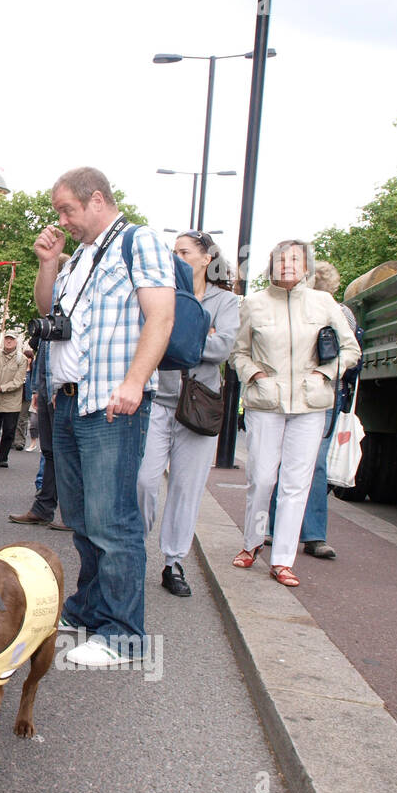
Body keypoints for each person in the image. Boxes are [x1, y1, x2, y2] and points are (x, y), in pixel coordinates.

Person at [33, 167, 175, 666]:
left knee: (113, 519)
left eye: (67, 209)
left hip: (112, 402)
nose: (62, 220)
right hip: (69, 399)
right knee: (81, 517)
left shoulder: (140, 242)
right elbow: (48, 310)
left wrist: (135, 382)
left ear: (97, 200)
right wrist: (50, 263)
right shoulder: (81, 258)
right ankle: (90, 610)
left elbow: (160, 315)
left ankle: (123, 634)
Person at [231, 241, 359, 586]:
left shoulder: (323, 303)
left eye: (294, 260)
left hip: (310, 402)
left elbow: (350, 349)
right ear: (271, 266)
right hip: (266, 401)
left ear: (306, 267)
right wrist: (253, 374)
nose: (286, 265)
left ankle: (283, 559)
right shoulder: (254, 304)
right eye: (280, 259)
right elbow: (238, 352)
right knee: (262, 478)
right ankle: (252, 541)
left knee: (296, 482)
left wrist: (326, 374)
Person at [136, 231, 240, 597]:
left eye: (183, 251)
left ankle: (173, 562)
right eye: (173, 251)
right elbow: (149, 336)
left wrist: (174, 337)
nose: (175, 256)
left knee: (187, 487)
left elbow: (223, 346)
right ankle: (135, 549)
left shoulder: (225, 301)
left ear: (205, 258)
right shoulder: (161, 292)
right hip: (159, 399)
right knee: (144, 481)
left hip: (199, 404)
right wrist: (197, 335)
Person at [265, 261, 360, 561]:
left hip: (314, 394)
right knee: (310, 464)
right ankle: (310, 534)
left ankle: (280, 528)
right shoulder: (339, 312)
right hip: (320, 393)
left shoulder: (334, 312)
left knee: (292, 462)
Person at [8, 335, 69, 531]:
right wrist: (36, 389)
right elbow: (43, 352)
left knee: (69, 454)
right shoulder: (52, 312)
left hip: (64, 389)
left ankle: (73, 514)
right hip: (46, 388)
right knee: (49, 452)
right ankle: (43, 508)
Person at [0, 330, 27, 466]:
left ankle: (3, 458)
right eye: (7, 339)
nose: (9, 341)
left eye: (12, 339)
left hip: (11, 402)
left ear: (16, 342)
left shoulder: (22, 359)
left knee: (9, 431)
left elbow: (18, 381)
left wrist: (1, 388)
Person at [14, 344, 37, 450]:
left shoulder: (33, 371)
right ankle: (12, 440)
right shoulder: (19, 368)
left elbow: (34, 383)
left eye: (29, 358)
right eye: (26, 357)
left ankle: (20, 441)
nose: (28, 360)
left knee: (22, 420)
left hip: (27, 397)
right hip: (16, 396)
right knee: (13, 419)